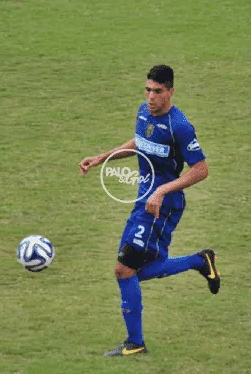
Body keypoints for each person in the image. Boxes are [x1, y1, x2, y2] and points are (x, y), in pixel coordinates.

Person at [79, 64, 220, 357]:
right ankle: (199, 261)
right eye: (147, 90)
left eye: (157, 91)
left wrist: (162, 190)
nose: (151, 97)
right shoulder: (143, 112)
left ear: (170, 91)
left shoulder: (180, 126)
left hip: (163, 206)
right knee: (129, 271)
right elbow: (139, 143)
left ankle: (136, 343)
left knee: (124, 270)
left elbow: (201, 170)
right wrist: (102, 157)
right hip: (143, 201)